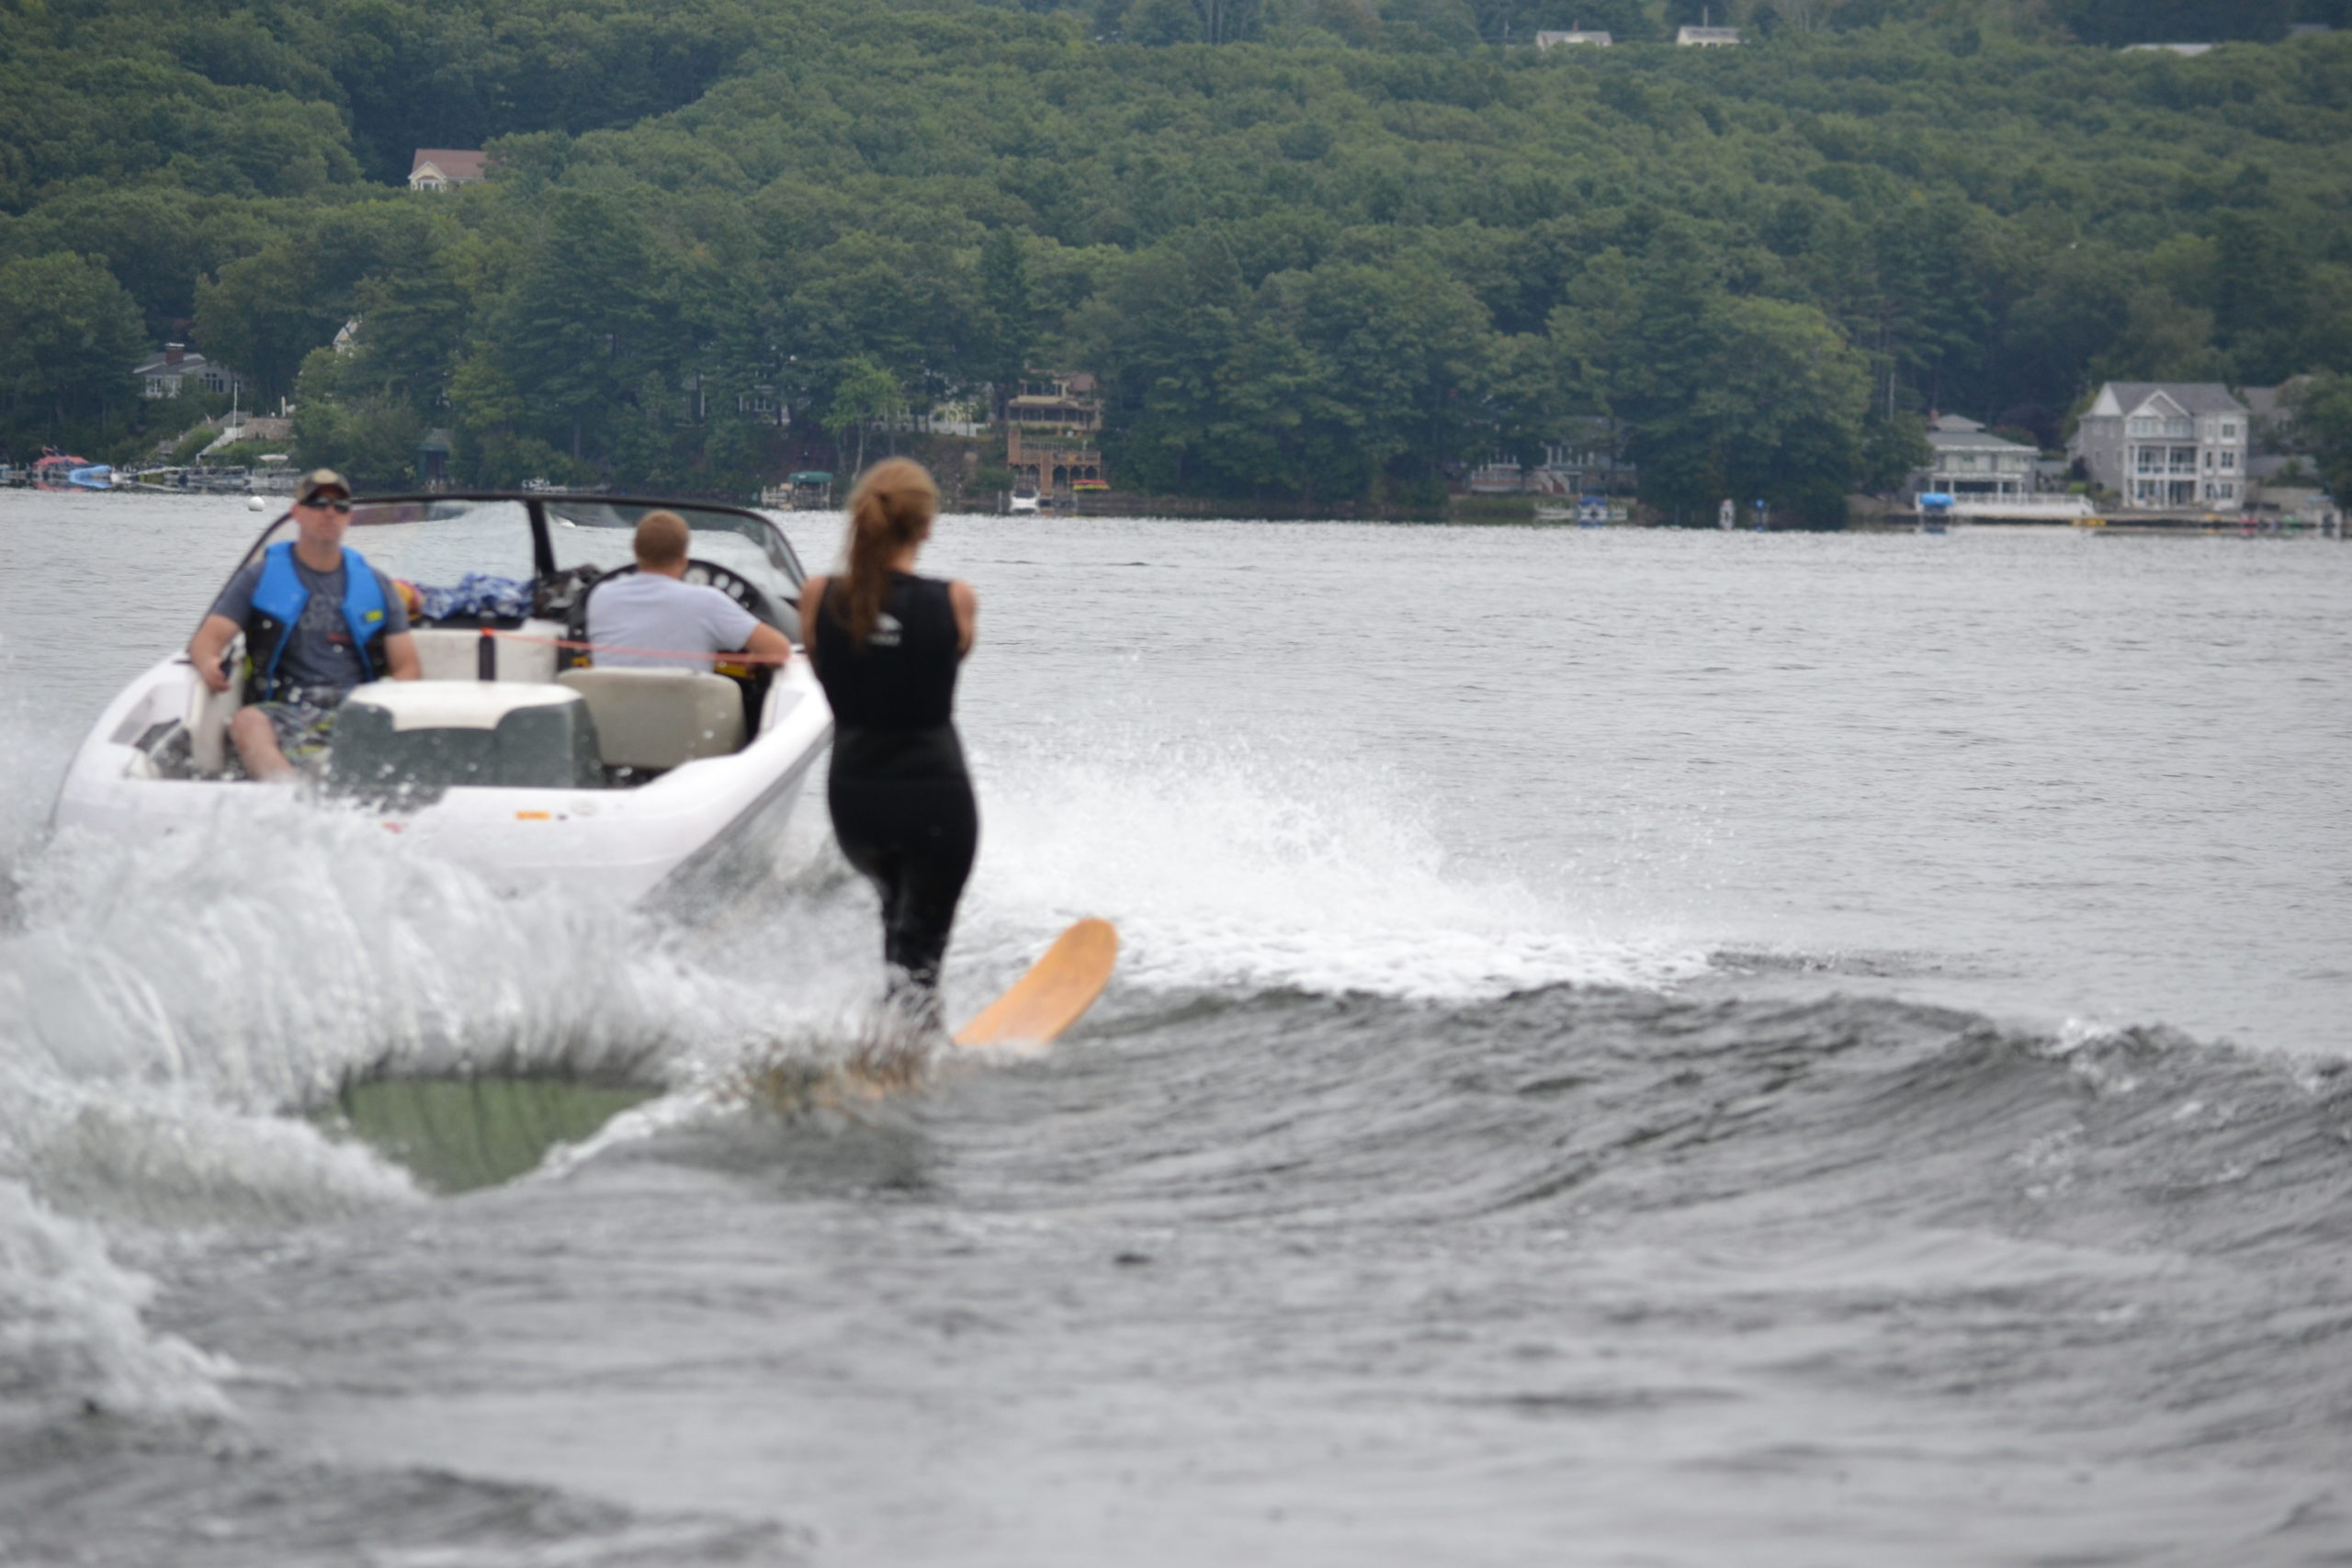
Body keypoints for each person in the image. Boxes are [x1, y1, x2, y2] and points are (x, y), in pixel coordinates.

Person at [801, 459, 978, 1028]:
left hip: (856, 800)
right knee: (921, 955)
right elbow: (942, 664)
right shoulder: (955, 601)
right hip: (933, 797)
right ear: (925, 526)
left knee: (898, 926)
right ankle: (909, 1063)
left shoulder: (818, 596)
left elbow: (833, 661)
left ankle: (892, 1043)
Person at [189, 469, 421, 779]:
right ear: (296, 512)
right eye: (318, 502)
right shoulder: (259, 577)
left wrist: (379, 709)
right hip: (286, 709)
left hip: (357, 707)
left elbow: (407, 667)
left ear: (349, 518)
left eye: (339, 506)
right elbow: (208, 638)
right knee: (246, 722)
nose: (329, 512)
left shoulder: (377, 585)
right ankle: (294, 803)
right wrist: (207, 664)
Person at [583, 511, 793, 671]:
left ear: (636, 549)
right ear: (684, 556)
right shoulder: (708, 601)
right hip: (689, 726)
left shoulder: (600, 596)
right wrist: (751, 659)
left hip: (612, 725)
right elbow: (780, 650)